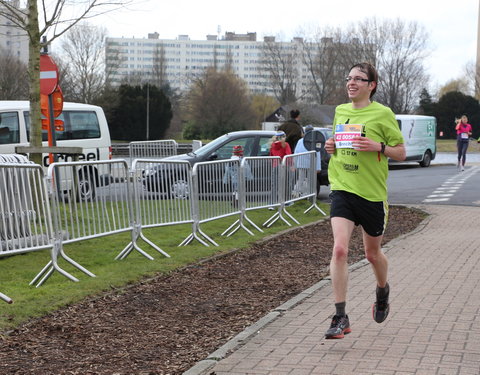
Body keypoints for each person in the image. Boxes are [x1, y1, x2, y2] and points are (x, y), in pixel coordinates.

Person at [324, 62, 406, 339]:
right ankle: (340, 316)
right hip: (343, 189)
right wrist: (330, 145)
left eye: (359, 79)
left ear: (372, 85)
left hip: (371, 195)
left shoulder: (383, 114)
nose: (351, 83)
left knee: (372, 255)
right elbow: (337, 143)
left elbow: (401, 153)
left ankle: (382, 290)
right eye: (349, 78)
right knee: (339, 251)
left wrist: (378, 146)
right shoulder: (340, 111)